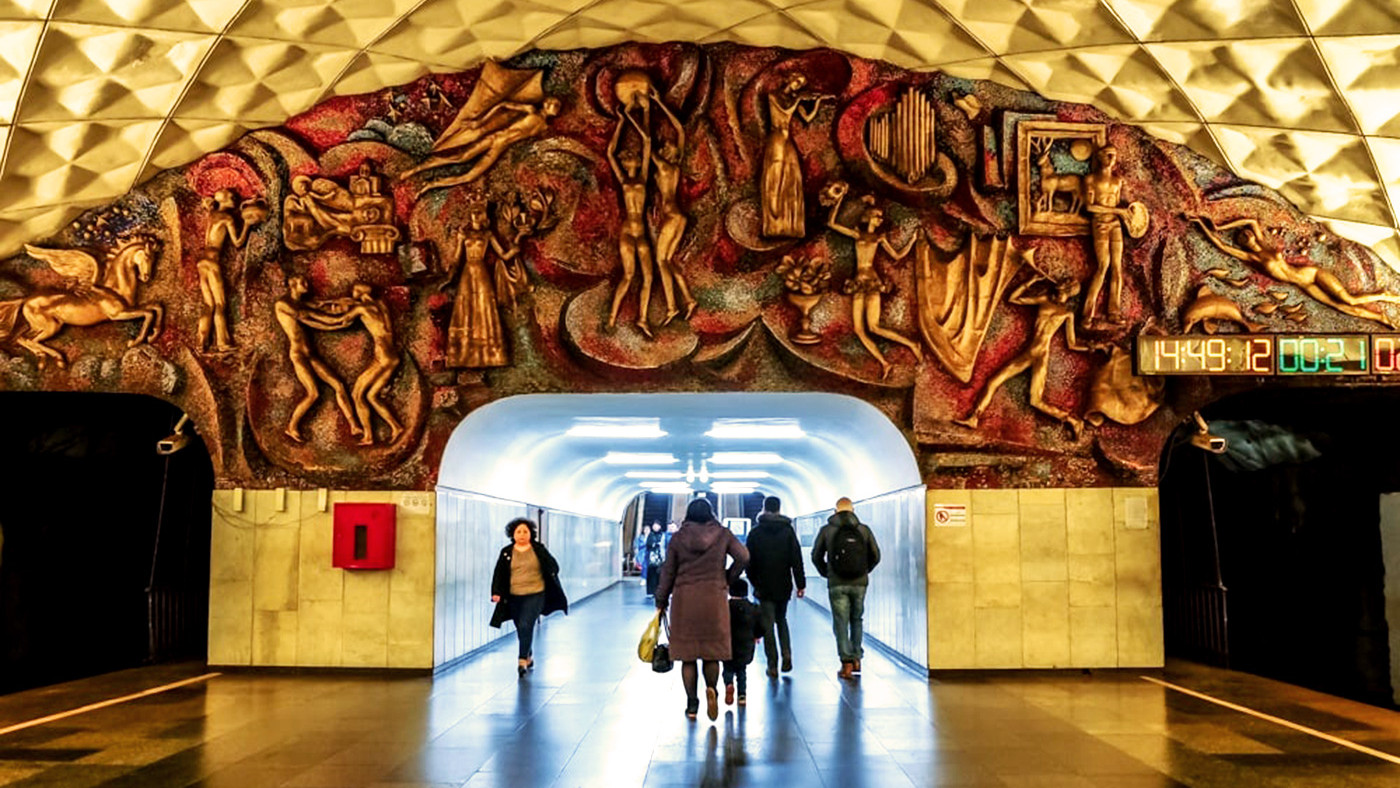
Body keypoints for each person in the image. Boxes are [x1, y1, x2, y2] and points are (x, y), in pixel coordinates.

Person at [1191, 215, 1400, 328]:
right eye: (1247, 240)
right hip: (1302, 285)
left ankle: (1385, 296)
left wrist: (1219, 225)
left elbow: (1252, 221)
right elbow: (1222, 247)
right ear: (1245, 245)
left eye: (1250, 236)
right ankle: (1382, 319)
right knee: (1340, 307)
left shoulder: (1265, 245)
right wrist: (1204, 227)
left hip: (1312, 274)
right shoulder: (1252, 258)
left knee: (1350, 300)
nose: (1251, 239)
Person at [954, 274, 1098, 439]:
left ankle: (1072, 420)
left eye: (1065, 285)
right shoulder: (1044, 300)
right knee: (994, 381)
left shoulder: (1067, 314)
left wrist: (1092, 347)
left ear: (1069, 291)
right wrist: (1030, 281)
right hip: (1028, 353)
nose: (1060, 286)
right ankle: (974, 418)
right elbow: (1014, 299)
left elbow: (1071, 344)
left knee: (1036, 401)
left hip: (1041, 356)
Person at [655, 498, 749, 721]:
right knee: (711, 653)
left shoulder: (678, 538)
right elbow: (744, 556)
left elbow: (668, 571)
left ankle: (692, 705)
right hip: (714, 600)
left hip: (685, 601)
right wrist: (727, 577)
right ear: (711, 513)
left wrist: (661, 599)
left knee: (688, 657)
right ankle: (711, 689)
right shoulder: (723, 534)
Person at [811, 497, 880, 680]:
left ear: (835, 511)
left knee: (841, 622)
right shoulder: (863, 530)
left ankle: (846, 662)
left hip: (837, 583)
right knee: (857, 619)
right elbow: (876, 555)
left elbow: (815, 555)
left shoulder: (827, 530)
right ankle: (857, 656)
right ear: (853, 510)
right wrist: (865, 571)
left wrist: (827, 572)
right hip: (859, 583)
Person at [490, 517, 568, 677]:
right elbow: (499, 573)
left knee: (526, 624)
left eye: (525, 531)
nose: (522, 535)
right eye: (518, 532)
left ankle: (521, 660)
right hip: (513, 596)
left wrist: (550, 569)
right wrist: (496, 592)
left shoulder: (538, 549)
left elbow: (554, 566)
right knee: (521, 628)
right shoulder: (506, 552)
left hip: (536, 593)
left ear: (531, 534)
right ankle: (528, 654)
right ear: (512, 534)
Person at [744, 495, 806, 678]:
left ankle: (772, 665)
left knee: (767, 624)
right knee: (782, 620)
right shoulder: (788, 532)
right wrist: (800, 584)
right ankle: (787, 654)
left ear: (764, 508)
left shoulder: (755, 533)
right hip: (783, 584)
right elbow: (796, 559)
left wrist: (754, 581)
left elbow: (749, 562)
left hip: (763, 586)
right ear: (779, 509)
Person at [723, 578, 763, 706]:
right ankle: (742, 696)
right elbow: (762, 625)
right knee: (741, 671)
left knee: (727, 669)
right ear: (746, 592)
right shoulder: (753, 608)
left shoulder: (724, 607)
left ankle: (729, 684)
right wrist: (757, 635)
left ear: (730, 591)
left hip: (727, 646)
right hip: (745, 646)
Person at [642, 521, 667, 596]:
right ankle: (651, 591)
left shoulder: (662, 535)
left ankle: (660, 590)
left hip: (660, 556)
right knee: (651, 574)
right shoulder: (651, 535)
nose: (655, 527)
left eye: (657, 526)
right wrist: (654, 544)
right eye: (654, 526)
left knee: (660, 574)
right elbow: (648, 544)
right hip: (652, 557)